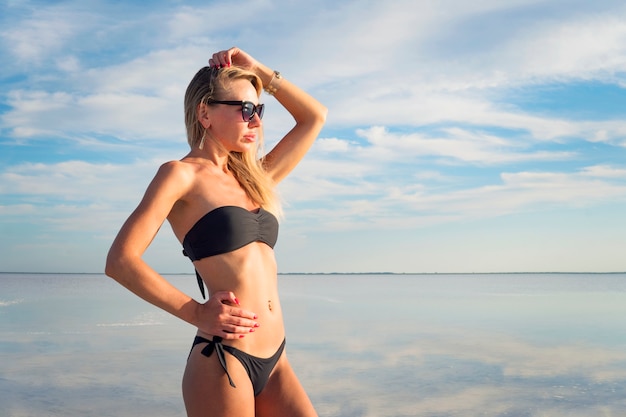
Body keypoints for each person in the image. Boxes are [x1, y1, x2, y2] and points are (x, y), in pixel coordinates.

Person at [105, 47, 327, 417]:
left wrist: (257, 69)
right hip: (224, 360)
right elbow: (120, 261)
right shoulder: (180, 175)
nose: (255, 121)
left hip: (276, 360)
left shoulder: (257, 178)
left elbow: (314, 117)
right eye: (245, 109)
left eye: (259, 110)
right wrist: (195, 312)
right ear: (205, 113)